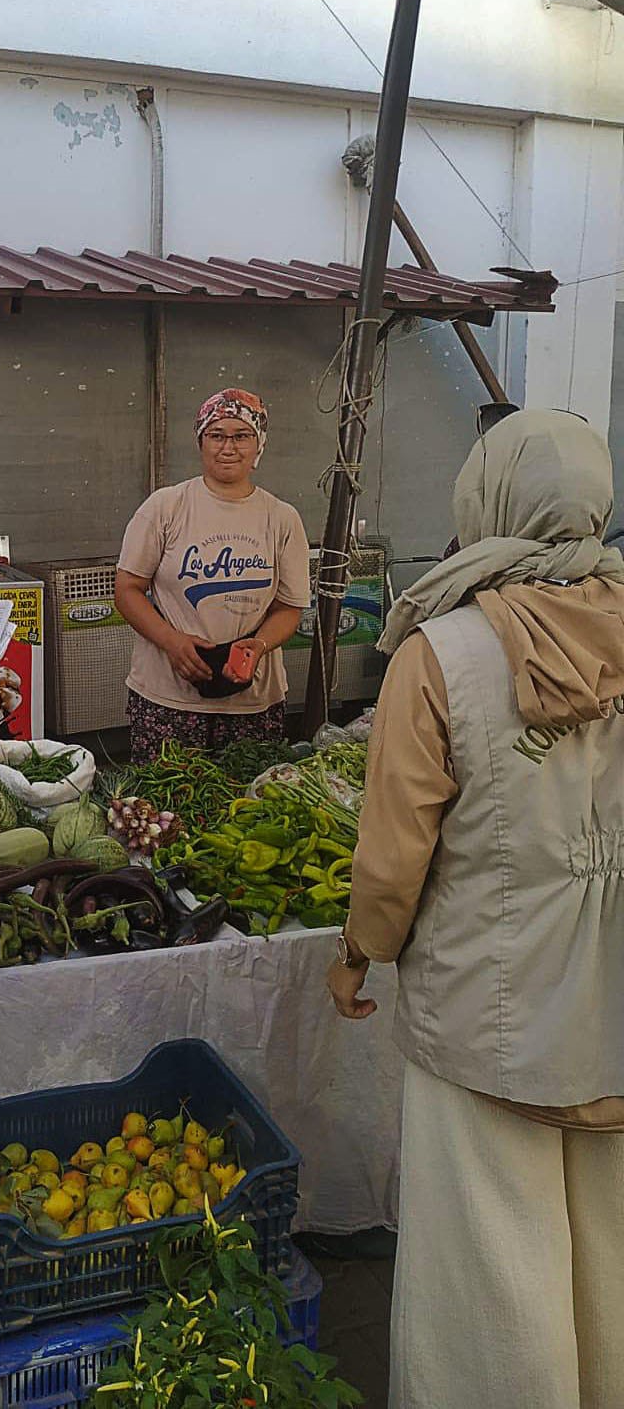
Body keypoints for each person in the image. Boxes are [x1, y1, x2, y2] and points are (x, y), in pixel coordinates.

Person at [326, 409, 624, 1409]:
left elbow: (393, 856)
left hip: (487, 1015)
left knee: (493, 1275)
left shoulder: (443, 651)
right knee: (611, 1257)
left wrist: (359, 953)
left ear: (488, 498)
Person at [115, 389, 310, 764]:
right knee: (165, 812)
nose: (228, 447)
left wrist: (259, 646)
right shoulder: (165, 507)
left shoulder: (282, 518)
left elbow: (289, 607)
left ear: (259, 445)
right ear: (201, 442)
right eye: (216, 434)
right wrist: (172, 641)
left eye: (241, 435)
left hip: (252, 702)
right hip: (167, 700)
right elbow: (127, 590)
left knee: (247, 810)